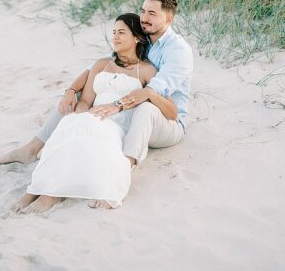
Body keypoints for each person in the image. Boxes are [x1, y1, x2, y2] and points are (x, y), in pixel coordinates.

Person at [0, 0, 191, 172]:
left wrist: (116, 106)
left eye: (152, 14)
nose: (144, 18)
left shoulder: (178, 50)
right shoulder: (143, 37)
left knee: (146, 108)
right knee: (80, 95)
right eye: (143, 11)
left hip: (166, 121)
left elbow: (153, 91)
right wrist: (70, 90)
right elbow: (96, 68)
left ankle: (123, 166)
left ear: (169, 18)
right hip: (132, 114)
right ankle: (33, 148)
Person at [12, 13, 174, 213]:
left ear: (137, 38)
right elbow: (86, 101)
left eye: (121, 32)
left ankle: (49, 195)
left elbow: (170, 110)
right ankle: (33, 191)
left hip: (117, 125)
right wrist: (81, 114)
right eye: (113, 32)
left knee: (82, 125)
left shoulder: (148, 71)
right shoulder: (101, 64)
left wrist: (148, 94)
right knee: (69, 123)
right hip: (91, 117)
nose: (115, 37)